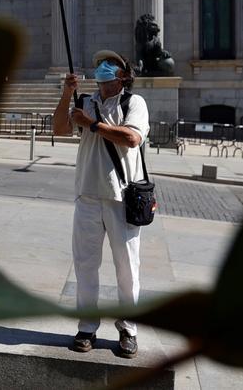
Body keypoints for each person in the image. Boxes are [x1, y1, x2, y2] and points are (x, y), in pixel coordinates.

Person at [52, 50, 149, 358]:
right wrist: (68, 95)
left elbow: (131, 138)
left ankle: (128, 329)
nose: (103, 69)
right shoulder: (86, 101)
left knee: (127, 268)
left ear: (123, 75)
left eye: (110, 65)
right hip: (88, 195)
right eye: (99, 65)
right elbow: (59, 129)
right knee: (85, 265)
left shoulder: (133, 103)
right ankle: (86, 326)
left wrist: (92, 125)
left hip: (122, 197)